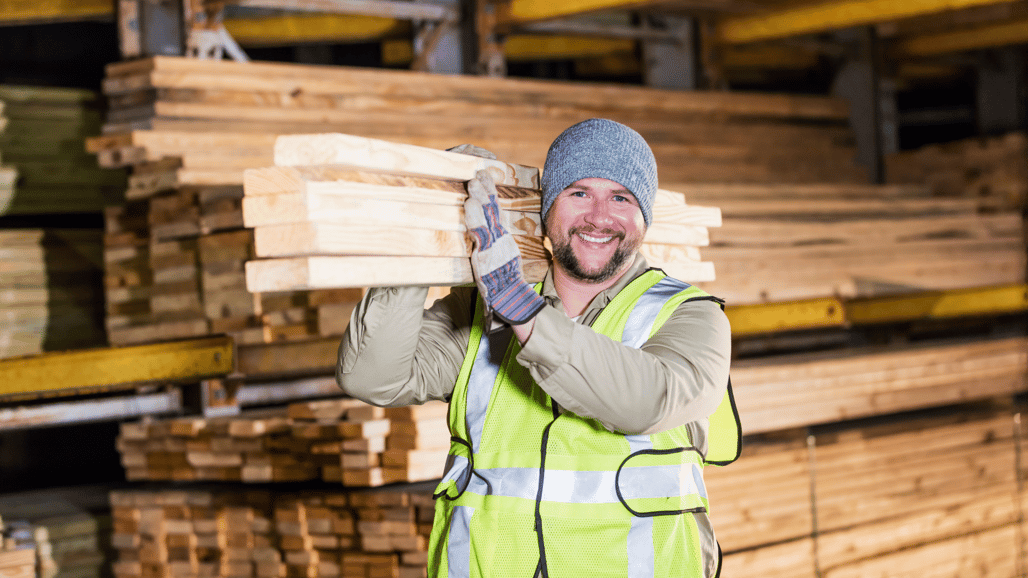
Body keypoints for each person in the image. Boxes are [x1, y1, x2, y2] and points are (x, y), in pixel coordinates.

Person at [336, 118, 740, 578]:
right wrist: (427, 227)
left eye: (621, 198)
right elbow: (371, 377)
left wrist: (520, 308)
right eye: (579, 193)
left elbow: (650, 400)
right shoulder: (483, 309)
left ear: (644, 217)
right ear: (547, 210)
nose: (599, 217)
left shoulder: (689, 316)